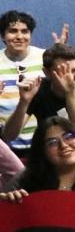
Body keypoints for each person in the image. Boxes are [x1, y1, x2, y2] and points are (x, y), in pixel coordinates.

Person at [0, 9, 46, 151]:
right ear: (3, 36)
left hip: (43, 146)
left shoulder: (45, 57)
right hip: (6, 146)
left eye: (25, 31)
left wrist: (62, 59)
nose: (19, 36)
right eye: (13, 31)